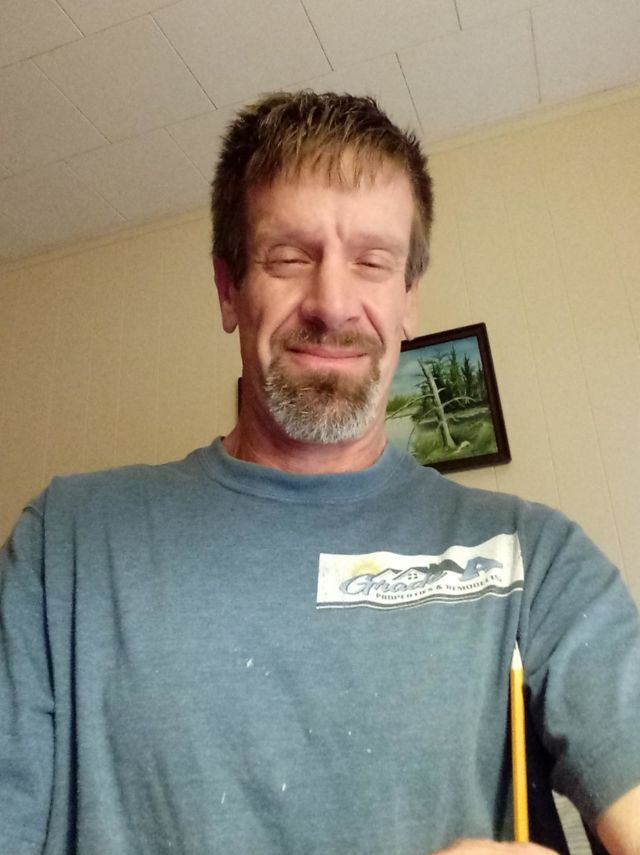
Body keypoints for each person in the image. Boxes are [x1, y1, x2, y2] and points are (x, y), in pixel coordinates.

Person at [0, 91, 639, 855]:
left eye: (373, 262)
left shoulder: (537, 563)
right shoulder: (64, 546)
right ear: (228, 289)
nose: (333, 303)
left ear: (408, 300)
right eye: (289, 257)